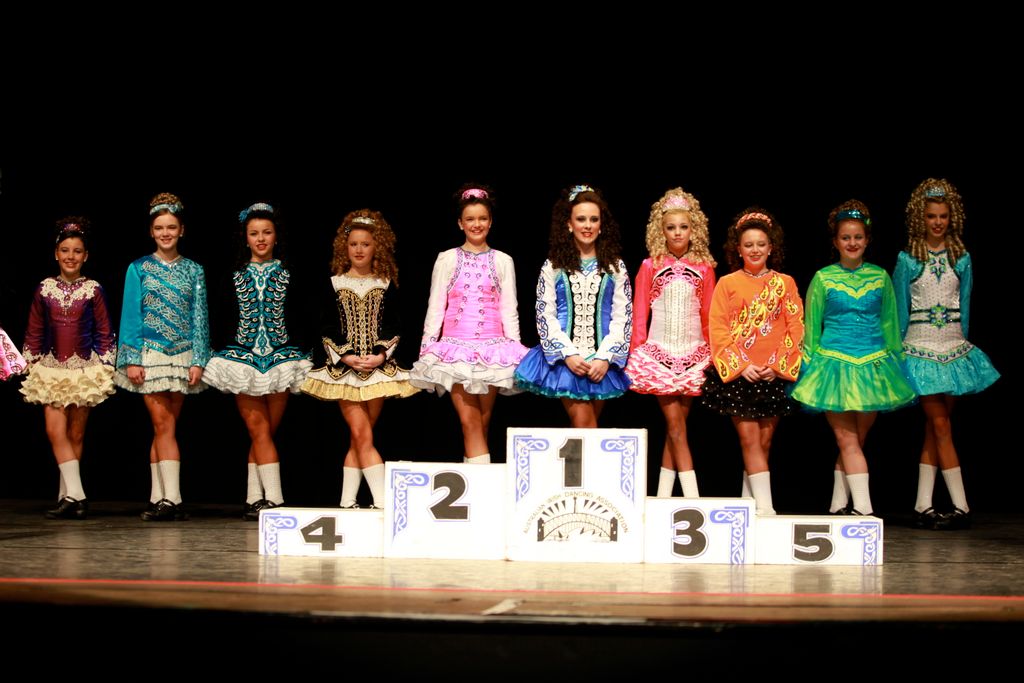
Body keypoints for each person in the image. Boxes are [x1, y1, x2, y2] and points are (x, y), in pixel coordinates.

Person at [792, 200, 915, 516]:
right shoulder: (823, 278)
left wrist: (897, 362)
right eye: (845, 237)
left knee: (856, 441)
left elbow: (890, 322)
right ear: (835, 242)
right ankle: (864, 510)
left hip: (874, 366)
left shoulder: (880, 277)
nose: (852, 243)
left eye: (858, 237)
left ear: (867, 240)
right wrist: (809, 366)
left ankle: (838, 505)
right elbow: (812, 325)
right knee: (847, 440)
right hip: (833, 366)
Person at [894, 179, 999, 530]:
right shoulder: (908, 260)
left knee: (934, 429)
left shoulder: (961, 258)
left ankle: (923, 504)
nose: (937, 222)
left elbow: (965, 304)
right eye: (931, 216)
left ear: (952, 218)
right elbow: (899, 309)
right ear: (919, 218)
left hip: (953, 351)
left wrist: (964, 348)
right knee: (940, 425)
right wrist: (897, 352)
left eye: (942, 216)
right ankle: (962, 505)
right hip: (920, 350)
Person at [301, 209, 417, 508]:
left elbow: (394, 325)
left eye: (365, 244)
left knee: (360, 438)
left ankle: (347, 501)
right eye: (353, 244)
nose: (359, 250)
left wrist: (380, 355)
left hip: (376, 369)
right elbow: (326, 326)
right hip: (345, 371)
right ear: (345, 247)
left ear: (376, 246)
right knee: (361, 433)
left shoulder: (386, 283)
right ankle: (382, 501)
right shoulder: (335, 283)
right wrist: (347, 355)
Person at [204, 203, 313, 520]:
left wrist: (302, 352)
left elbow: (302, 315)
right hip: (242, 361)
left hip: (282, 361)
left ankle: (253, 498)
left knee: (264, 433)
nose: (261, 239)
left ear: (276, 236)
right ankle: (275, 500)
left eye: (266, 232)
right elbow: (221, 316)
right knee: (259, 429)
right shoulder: (233, 275)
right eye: (254, 233)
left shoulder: (290, 274)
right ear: (245, 237)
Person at [410, 185, 528, 464]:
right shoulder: (447, 258)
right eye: (470, 219)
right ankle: (486, 486)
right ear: (460, 223)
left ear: (491, 221)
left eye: (482, 218)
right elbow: (436, 306)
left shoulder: (503, 260)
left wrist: (515, 349)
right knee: (470, 423)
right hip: (456, 351)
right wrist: (427, 348)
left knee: (482, 426)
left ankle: (474, 483)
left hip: (493, 351)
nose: (477, 224)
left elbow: (509, 308)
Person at [115, 193, 210, 521]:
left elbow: (200, 316)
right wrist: (132, 358)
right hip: (150, 355)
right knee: (163, 424)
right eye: (159, 228)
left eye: (171, 227)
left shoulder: (194, 270)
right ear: (151, 231)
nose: (165, 233)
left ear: (182, 230)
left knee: (165, 428)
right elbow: (131, 315)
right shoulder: (138, 268)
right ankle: (173, 500)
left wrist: (198, 359)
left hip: (183, 356)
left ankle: (158, 497)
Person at [704, 209, 803, 515]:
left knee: (763, 443)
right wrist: (740, 366)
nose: (755, 250)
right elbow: (717, 328)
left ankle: (748, 506)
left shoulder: (785, 283)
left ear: (771, 247)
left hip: (772, 374)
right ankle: (766, 510)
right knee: (749, 441)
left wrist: (778, 366)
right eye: (749, 245)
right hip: (740, 375)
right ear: (738, 249)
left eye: (761, 244)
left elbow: (796, 326)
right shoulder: (727, 283)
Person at [20, 217, 116, 519]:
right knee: (54, 430)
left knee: (75, 435)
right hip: (51, 368)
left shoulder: (93, 289)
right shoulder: (44, 289)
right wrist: (30, 358)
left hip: (84, 368)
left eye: (77, 251)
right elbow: (35, 327)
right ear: (56, 253)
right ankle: (78, 495)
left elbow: (104, 330)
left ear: (85, 256)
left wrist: (106, 363)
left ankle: (67, 496)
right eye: (65, 250)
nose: (70, 256)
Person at [514, 184, 631, 427]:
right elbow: (545, 315)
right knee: (585, 425)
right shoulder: (553, 265)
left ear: (601, 225)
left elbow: (623, 317)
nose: (587, 225)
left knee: (587, 432)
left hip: (602, 361)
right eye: (581, 219)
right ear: (569, 224)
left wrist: (605, 357)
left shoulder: (615, 266)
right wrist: (568, 354)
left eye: (593, 219)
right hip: (566, 361)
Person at [625, 188, 716, 497]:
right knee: (676, 427)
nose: (678, 233)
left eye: (683, 227)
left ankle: (663, 496)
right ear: (661, 231)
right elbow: (639, 312)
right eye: (671, 227)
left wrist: (713, 353)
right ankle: (693, 497)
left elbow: (708, 314)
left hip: (694, 355)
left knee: (675, 430)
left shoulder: (705, 268)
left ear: (694, 230)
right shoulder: (650, 265)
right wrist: (637, 352)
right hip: (658, 355)